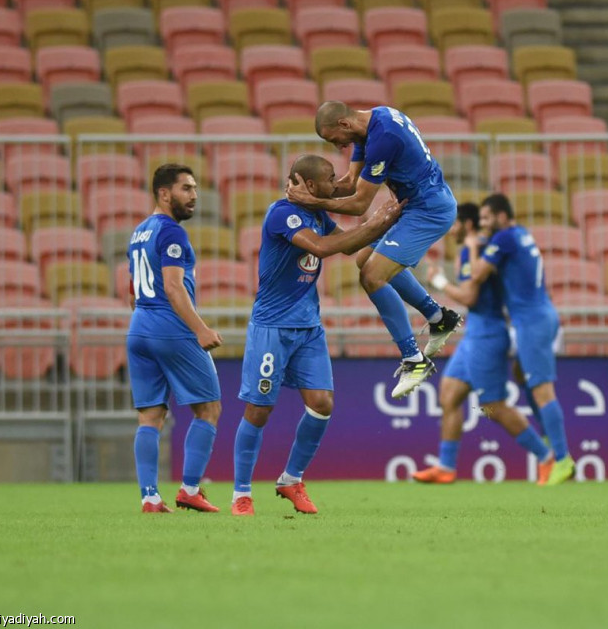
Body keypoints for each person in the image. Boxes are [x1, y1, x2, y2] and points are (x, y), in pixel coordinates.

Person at [231, 155, 403, 516]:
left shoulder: (319, 214)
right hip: (272, 327)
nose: (337, 182)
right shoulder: (283, 214)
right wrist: (378, 219)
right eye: (329, 178)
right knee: (259, 410)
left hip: (308, 327)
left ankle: (291, 479)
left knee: (322, 403)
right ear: (310, 185)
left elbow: (352, 244)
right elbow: (324, 248)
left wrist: (389, 223)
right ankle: (241, 493)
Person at [285, 102, 461, 399]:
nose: (338, 146)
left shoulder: (383, 136)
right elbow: (350, 184)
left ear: (344, 124)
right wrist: (308, 192)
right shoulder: (370, 124)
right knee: (365, 259)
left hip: (428, 209)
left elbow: (358, 204)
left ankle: (414, 360)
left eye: (334, 140)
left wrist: (314, 203)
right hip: (419, 203)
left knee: (372, 276)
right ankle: (439, 318)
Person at [412, 203, 553, 485]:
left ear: (467, 224)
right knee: (449, 395)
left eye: (455, 224)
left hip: (487, 336)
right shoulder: (479, 248)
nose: (450, 230)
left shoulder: (473, 250)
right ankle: (446, 467)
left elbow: (469, 297)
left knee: (494, 407)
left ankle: (546, 457)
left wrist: (439, 281)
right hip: (475, 335)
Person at [127, 164, 223, 513]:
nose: (194, 196)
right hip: (170, 328)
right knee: (209, 408)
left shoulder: (139, 232)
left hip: (139, 327)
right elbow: (172, 286)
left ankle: (150, 498)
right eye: (186, 189)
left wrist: (146, 323)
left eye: (195, 188)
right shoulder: (171, 233)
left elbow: (132, 290)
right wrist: (200, 328)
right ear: (164, 193)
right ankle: (190, 490)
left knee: (150, 417)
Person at [460, 194, 575, 486]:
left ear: (500, 217)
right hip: (542, 315)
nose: (483, 225)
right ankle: (551, 437)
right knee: (521, 374)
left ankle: (561, 459)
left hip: (532, 322)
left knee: (542, 390)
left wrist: (472, 247)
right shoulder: (522, 233)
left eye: (486, 218)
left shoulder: (505, 238)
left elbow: (476, 274)